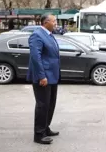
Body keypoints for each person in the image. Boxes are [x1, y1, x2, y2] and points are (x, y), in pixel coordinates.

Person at [27, 14, 60, 145]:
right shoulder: (37, 35)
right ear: (46, 22)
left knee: (50, 104)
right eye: (54, 21)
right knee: (42, 105)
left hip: (52, 76)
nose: (56, 23)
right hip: (43, 77)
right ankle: (39, 134)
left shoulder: (49, 35)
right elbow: (36, 58)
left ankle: (45, 128)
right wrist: (42, 76)